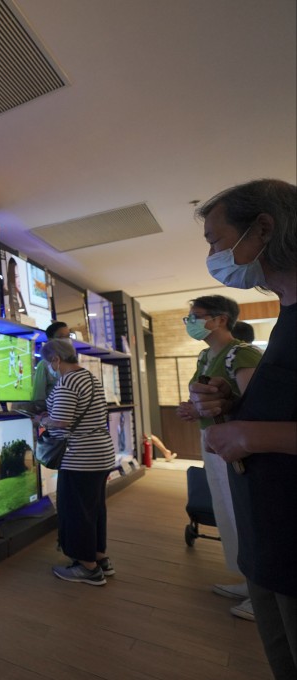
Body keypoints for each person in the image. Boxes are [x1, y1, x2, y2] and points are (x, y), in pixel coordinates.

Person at [188, 179, 296, 679]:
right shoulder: (286, 317)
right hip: (271, 540)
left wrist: (252, 436)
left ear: (263, 229)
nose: (213, 253)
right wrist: (236, 408)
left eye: (215, 239)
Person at [174, 295, 261, 620]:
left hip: (235, 446)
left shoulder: (242, 353)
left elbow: (255, 408)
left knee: (246, 512)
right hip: (211, 441)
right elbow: (201, 397)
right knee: (227, 510)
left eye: (194, 316)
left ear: (220, 319)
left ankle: (262, 590)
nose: (190, 323)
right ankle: (248, 578)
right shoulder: (204, 355)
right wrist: (191, 408)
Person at [37, 337, 116, 586]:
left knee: (77, 511)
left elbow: (61, 420)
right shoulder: (89, 377)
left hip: (80, 457)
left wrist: (42, 420)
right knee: (94, 509)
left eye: (48, 363)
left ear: (56, 360)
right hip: (100, 454)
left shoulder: (68, 381)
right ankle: (100, 558)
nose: (49, 368)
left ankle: (87, 567)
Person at [29, 321, 71, 410]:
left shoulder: (73, 363)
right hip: (55, 416)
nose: (67, 339)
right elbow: (39, 398)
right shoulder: (44, 365)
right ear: (51, 340)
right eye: (62, 337)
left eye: (68, 336)